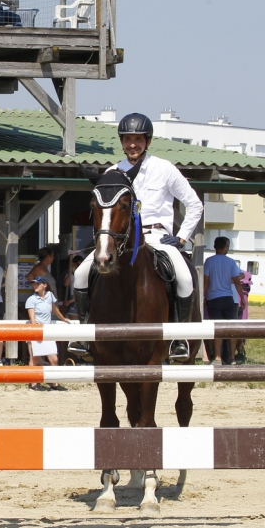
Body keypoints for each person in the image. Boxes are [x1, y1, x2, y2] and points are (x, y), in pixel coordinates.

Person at [73, 112, 203, 361]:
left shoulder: (164, 169)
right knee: (80, 274)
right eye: (128, 139)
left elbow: (194, 204)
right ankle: (85, 335)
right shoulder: (113, 172)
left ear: (148, 141)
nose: (133, 144)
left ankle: (179, 338)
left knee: (185, 278)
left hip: (156, 236)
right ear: (121, 142)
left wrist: (182, 237)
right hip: (119, 240)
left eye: (138, 139)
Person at [25, 276, 72, 390]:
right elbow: (32, 318)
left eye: (37, 284)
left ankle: (53, 382)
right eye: (34, 284)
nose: (35, 286)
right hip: (37, 330)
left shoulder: (50, 296)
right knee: (35, 358)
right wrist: (37, 332)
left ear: (44, 285)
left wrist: (63, 318)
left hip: (47, 330)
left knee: (54, 359)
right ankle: (34, 383)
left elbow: (54, 309)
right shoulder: (31, 299)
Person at [204, 236, 245, 366]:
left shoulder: (209, 262)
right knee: (231, 329)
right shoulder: (231, 262)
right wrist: (242, 298)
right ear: (224, 247)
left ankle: (217, 357)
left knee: (217, 329)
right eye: (227, 246)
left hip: (213, 298)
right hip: (228, 298)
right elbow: (238, 282)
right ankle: (232, 357)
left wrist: (203, 297)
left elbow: (206, 281)